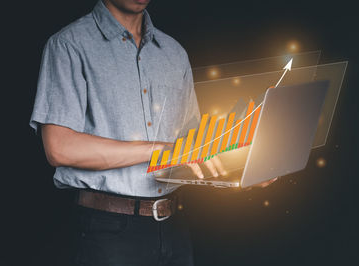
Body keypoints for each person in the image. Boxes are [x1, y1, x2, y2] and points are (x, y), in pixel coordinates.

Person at [30, 0, 275, 265]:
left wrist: (240, 170)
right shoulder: (69, 45)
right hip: (107, 233)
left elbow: (191, 151)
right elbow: (59, 148)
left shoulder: (174, 52)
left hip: (174, 228)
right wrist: (159, 150)